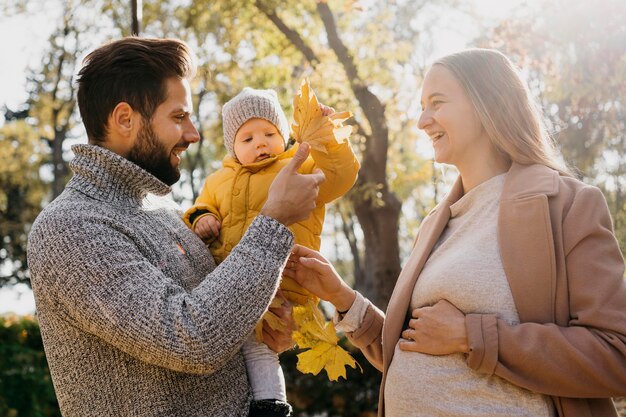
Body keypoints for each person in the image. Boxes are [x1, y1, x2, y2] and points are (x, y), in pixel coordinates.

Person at [283, 48, 626, 417]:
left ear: (487, 105)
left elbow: (616, 354)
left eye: (437, 103)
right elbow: (415, 348)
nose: (421, 121)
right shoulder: (436, 223)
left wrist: (471, 336)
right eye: (421, 105)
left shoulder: (568, 205)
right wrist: (343, 298)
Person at [27, 37, 326, 417]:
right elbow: (192, 339)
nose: (193, 134)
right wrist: (275, 220)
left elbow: (216, 319)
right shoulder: (70, 228)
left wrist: (261, 326)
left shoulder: (163, 209)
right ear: (124, 119)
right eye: (179, 117)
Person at [182, 87, 360, 414]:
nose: (260, 142)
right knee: (236, 349)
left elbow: (339, 176)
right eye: (247, 139)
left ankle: (271, 405)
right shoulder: (218, 180)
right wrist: (203, 218)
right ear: (232, 147)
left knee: (262, 347)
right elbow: (198, 207)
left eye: (269, 133)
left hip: (284, 283)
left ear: (283, 135)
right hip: (230, 284)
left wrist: (328, 138)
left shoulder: (299, 167)